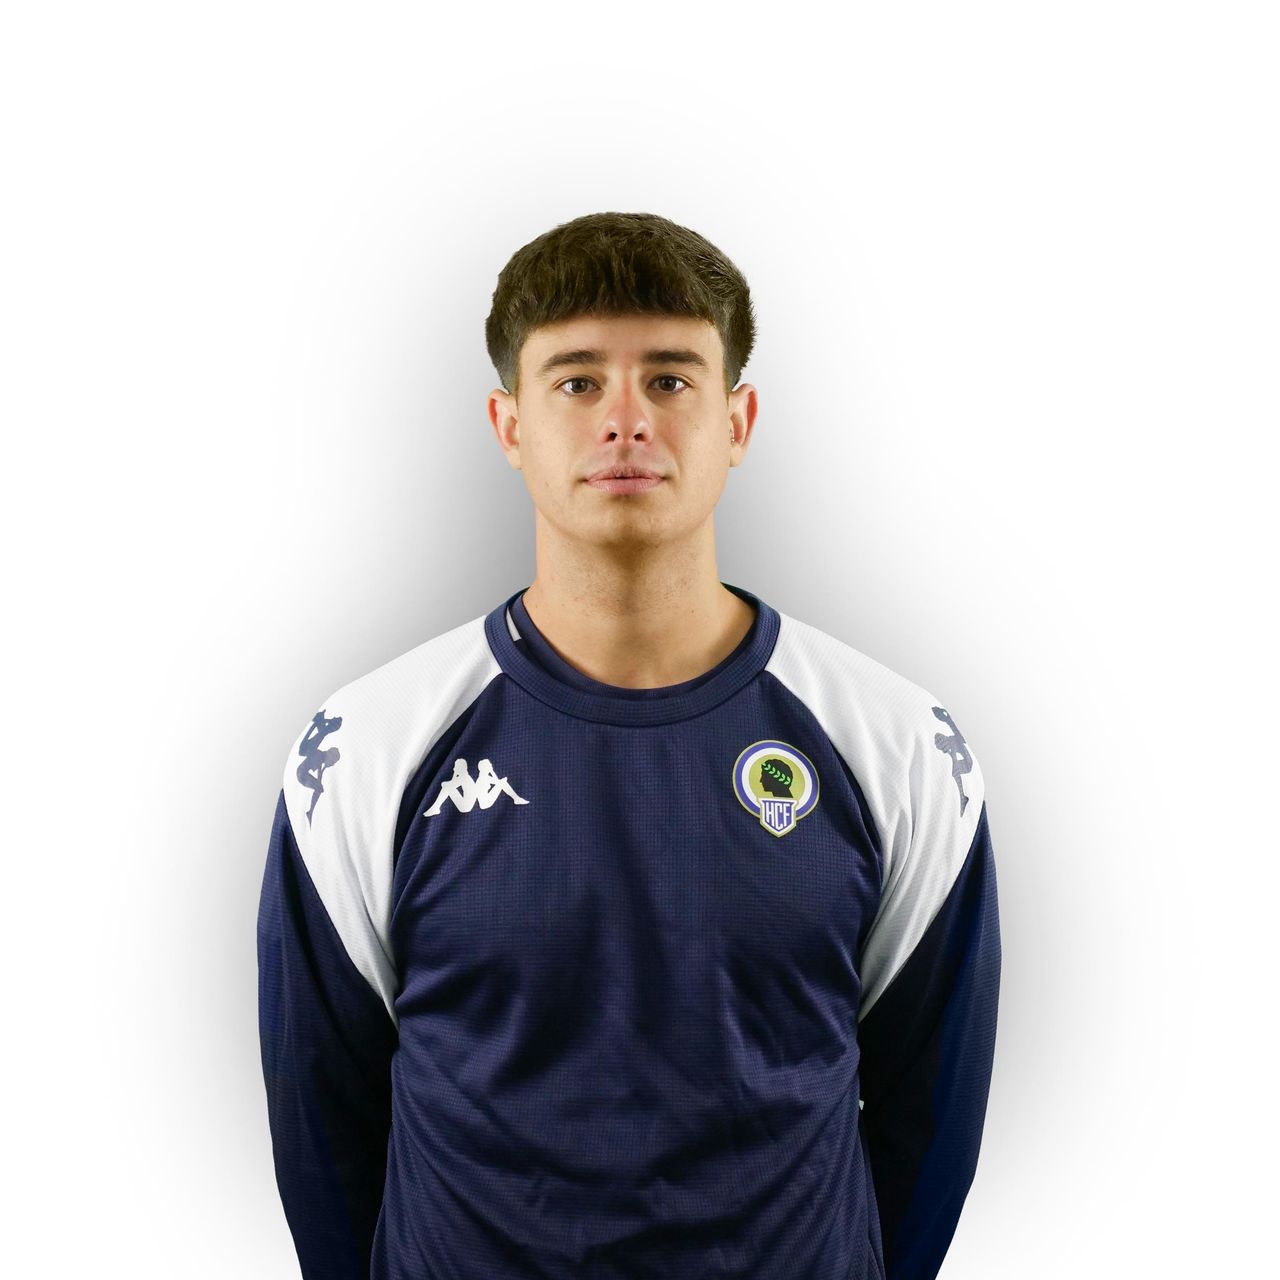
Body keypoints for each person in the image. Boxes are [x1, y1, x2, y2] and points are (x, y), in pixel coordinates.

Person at [256, 211, 1002, 1280]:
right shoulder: (365, 750)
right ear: (508, 424)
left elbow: (928, 1120)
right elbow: (322, 1129)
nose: (624, 420)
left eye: (669, 378)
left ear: (736, 420)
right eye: (575, 381)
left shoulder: (896, 745)